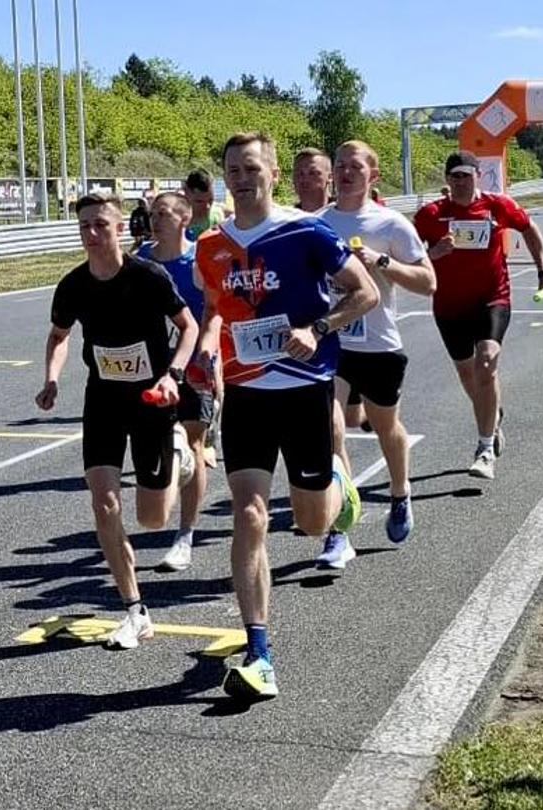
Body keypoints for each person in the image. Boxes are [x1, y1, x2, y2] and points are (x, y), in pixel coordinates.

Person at [193, 133, 378, 700]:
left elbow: (365, 293)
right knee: (249, 516)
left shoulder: (307, 232)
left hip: (304, 389)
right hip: (247, 396)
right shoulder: (210, 246)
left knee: (315, 524)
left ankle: (337, 484)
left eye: (251, 168)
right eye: (232, 169)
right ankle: (259, 649)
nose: (241, 178)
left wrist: (317, 329)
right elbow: (215, 307)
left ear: (272, 174)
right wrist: (206, 342)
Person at [38, 192, 199, 649]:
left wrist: (174, 374)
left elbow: (187, 327)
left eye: (100, 225)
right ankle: (134, 609)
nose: (92, 234)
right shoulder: (72, 285)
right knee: (104, 502)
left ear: (121, 229)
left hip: (152, 398)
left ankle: (183, 459)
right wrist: (51, 378)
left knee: (151, 518)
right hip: (104, 399)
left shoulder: (148, 276)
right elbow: (58, 336)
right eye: (85, 226)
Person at [320, 141, 437, 562]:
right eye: (339, 166)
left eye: (355, 166)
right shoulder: (318, 222)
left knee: (388, 427)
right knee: (330, 429)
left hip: (379, 344)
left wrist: (381, 263)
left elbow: (429, 283)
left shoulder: (391, 225)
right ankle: (339, 526)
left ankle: (401, 492)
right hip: (331, 341)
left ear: (374, 175)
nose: (345, 173)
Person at [413, 151, 543, 479]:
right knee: (469, 377)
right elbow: (408, 254)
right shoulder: (430, 214)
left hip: (492, 300)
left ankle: (484, 447)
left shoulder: (498, 206)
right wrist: (431, 253)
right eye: (454, 176)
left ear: (478, 176)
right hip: (449, 306)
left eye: (466, 175)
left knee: (487, 363)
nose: (460, 181)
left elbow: (530, 229)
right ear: (447, 180)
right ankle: (493, 417)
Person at [137, 192, 217, 571]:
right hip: (151, 368)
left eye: (164, 213)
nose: (156, 220)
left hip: (194, 366)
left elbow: (215, 311)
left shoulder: (198, 260)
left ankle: (185, 534)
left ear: (185, 218)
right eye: (153, 213)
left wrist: (208, 352)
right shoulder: (140, 262)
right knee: (161, 444)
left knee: (195, 442)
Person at [184, 170, 225, 241]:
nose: (207, 206)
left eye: (210, 200)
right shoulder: (177, 220)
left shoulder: (217, 216)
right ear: (186, 192)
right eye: (199, 201)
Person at [293, 147, 333, 213]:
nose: (305, 179)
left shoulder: (345, 215)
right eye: (300, 173)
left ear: (330, 177)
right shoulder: (286, 220)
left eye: (312, 173)